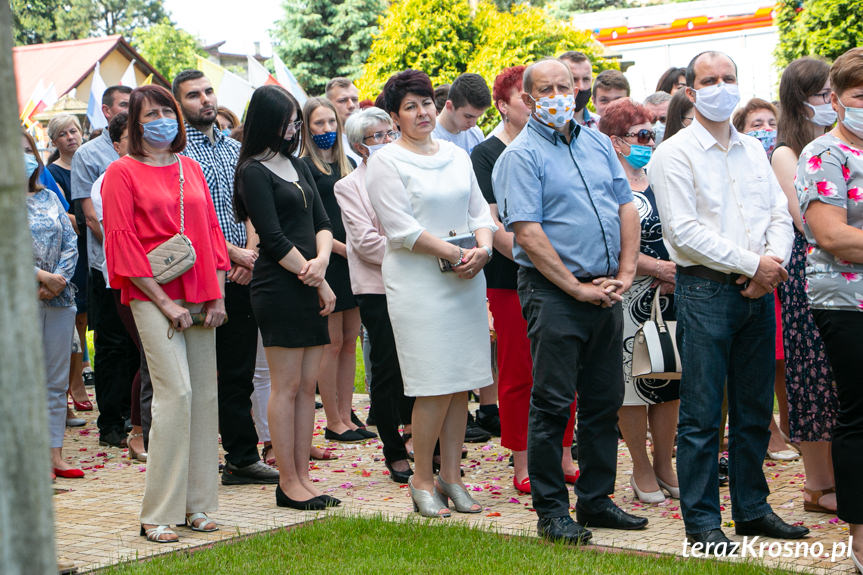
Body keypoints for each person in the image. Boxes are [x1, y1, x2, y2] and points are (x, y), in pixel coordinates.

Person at [648, 50, 805, 551]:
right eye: (710, 79)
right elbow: (684, 232)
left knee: (755, 407)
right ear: (690, 92)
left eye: (729, 77)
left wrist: (771, 264)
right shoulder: (672, 153)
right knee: (701, 414)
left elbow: (779, 213)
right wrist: (751, 264)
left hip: (759, 288)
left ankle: (753, 509)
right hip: (706, 289)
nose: (722, 86)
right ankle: (702, 523)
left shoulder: (755, 149)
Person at [493, 58, 644, 544]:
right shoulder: (520, 156)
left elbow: (625, 206)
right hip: (555, 292)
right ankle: (553, 512)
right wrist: (576, 288)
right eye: (547, 88)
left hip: (606, 289)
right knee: (554, 404)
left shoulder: (599, 143)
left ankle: (596, 501)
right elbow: (528, 234)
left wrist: (624, 272)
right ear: (530, 99)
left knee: (603, 402)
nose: (560, 94)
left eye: (567, 85)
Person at [102, 84, 230, 542]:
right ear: (134, 124)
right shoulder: (121, 172)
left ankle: (198, 505)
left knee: (204, 398)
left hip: (200, 290)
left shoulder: (189, 167)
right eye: (150, 113)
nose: (161, 119)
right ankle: (158, 512)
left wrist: (216, 296)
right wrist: (164, 302)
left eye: (166, 111)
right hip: (151, 292)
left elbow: (212, 234)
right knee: (175, 395)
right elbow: (121, 242)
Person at [366, 69, 495, 518]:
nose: (421, 113)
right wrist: (457, 254)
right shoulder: (386, 160)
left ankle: (452, 477)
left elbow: (480, 210)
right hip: (420, 281)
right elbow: (401, 228)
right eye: (410, 106)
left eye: (426, 103)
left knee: (462, 384)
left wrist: (483, 249)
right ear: (395, 116)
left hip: (465, 279)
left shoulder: (458, 155)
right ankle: (422, 478)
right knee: (433, 384)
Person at [471, 65, 579, 494]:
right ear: (503, 106)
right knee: (520, 370)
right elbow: (491, 223)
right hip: (510, 276)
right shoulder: (486, 155)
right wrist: (535, 254)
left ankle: (565, 452)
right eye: (528, 97)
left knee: (563, 369)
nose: (540, 103)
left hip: (565, 270)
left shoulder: (557, 143)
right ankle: (524, 458)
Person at [234, 84, 338, 511]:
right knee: (287, 384)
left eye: (295, 120)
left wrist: (323, 268)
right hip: (278, 287)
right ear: (266, 123)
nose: (293, 128)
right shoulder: (254, 171)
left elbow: (323, 221)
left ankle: (303, 476)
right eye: (287, 121)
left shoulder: (297, 165)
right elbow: (272, 238)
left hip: (310, 279)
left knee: (306, 385)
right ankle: (287, 479)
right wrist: (311, 274)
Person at [173, 69, 279, 486]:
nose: (205, 99)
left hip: (240, 273)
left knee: (237, 372)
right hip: (198, 276)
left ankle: (241, 457)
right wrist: (228, 254)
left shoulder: (234, 150)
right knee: (197, 375)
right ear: (179, 104)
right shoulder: (178, 157)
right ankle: (190, 463)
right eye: (194, 95)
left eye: (208, 91)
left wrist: (248, 255)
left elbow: (250, 208)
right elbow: (185, 221)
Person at [795, 46, 863, 572]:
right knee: (860, 414)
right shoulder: (823, 155)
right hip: (846, 300)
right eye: (861, 96)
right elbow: (832, 234)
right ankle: (861, 537)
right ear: (836, 100)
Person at [598, 98, 680, 504]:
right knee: (632, 386)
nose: (651, 140)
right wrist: (658, 270)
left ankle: (664, 461)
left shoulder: (662, 176)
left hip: (673, 294)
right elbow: (611, 244)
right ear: (616, 142)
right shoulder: (605, 184)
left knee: (668, 381)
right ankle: (640, 466)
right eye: (642, 134)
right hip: (630, 293)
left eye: (653, 132)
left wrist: (676, 271)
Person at [772, 56, 838, 514]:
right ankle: (818, 483)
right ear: (801, 99)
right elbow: (804, 220)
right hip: (809, 274)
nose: (830, 103)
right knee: (814, 376)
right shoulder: (786, 152)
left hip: (847, 270)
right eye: (823, 94)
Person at [336, 107, 414, 481]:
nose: (386, 141)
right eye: (377, 137)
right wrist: (419, 250)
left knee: (420, 363)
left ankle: (420, 436)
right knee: (387, 370)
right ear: (358, 147)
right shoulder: (349, 186)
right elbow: (366, 243)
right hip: (377, 288)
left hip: (420, 283)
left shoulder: (408, 172)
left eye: (389, 133)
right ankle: (393, 447)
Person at [299, 97, 371, 443]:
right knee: (331, 342)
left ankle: (347, 415)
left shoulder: (350, 163)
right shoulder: (304, 168)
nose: (326, 129)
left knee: (349, 344)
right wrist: (344, 250)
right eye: (318, 123)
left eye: (331, 122)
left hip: (354, 260)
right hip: (329, 258)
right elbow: (311, 221)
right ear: (306, 127)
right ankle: (332, 419)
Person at [71, 84, 136, 449]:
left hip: (146, 268)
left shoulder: (149, 152)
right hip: (106, 266)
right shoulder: (89, 155)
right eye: (125, 105)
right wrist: (120, 246)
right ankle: (111, 422)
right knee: (111, 345)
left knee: (138, 345)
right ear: (108, 111)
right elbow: (91, 216)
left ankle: (136, 415)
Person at [89, 112, 149, 462]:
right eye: (132, 136)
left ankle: (151, 428)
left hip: (166, 278)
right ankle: (137, 433)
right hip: (129, 281)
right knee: (148, 355)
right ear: (117, 145)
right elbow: (126, 237)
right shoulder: (107, 181)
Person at [24, 129, 82, 479]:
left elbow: (70, 241)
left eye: (26, 150)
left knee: (56, 381)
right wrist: (40, 278)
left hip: (60, 300)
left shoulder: (47, 197)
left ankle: (55, 454)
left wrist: (57, 278)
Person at [46, 114, 93, 414]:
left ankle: (79, 378)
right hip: (72, 247)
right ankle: (72, 383)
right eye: (63, 134)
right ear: (54, 141)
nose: (70, 137)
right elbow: (68, 218)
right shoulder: (52, 172)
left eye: (74, 131)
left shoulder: (88, 163)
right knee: (73, 317)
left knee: (87, 316)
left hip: (94, 246)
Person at [432, 73, 491, 154]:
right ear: (449, 106)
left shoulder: (476, 134)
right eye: (468, 116)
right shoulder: (428, 138)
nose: (473, 124)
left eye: (478, 117)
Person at [325, 77, 362, 164]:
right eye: (342, 100)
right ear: (329, 105)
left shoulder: (372, 135)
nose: (351, 105)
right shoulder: (327, 143)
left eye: (354, 99)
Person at [559, 51, 599, 129]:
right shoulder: (542, 126)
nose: (581, 87)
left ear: (592, 81)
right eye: (574, 79)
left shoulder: (601, 126)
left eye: (586, 79)